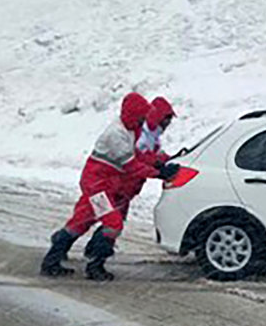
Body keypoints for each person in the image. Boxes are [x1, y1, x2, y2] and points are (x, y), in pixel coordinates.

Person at [41, 93, 176, 281]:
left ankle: (52, 260)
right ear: (133, 114)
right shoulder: (116, 134)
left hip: (108, 186)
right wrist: (158, 173)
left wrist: (162, 161)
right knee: (113, 223)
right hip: (98, 187)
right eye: (141, 117)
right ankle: (95, 265)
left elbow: (142, 155)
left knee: (81, 221)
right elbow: (131, 165)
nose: (143, 121)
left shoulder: (131, 130)